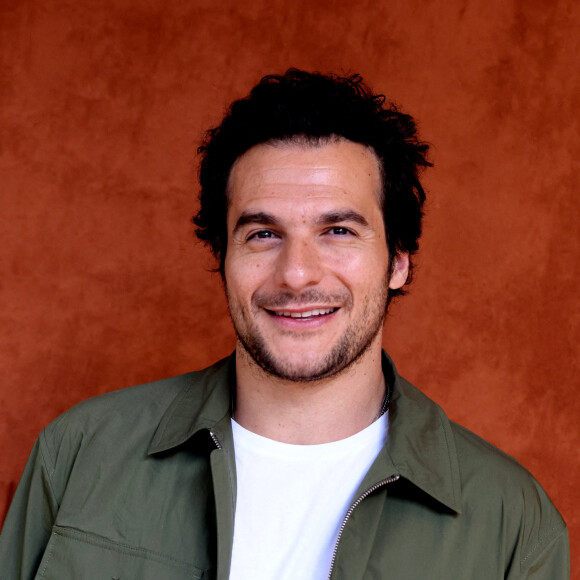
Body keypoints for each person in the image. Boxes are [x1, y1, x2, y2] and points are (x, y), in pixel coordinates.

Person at [0, 70, 569, 580]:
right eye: (263, 234)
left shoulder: (513, 522)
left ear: (398, 261)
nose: (296, 274)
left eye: (338, 231)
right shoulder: (78, 454)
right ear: (223, 257)